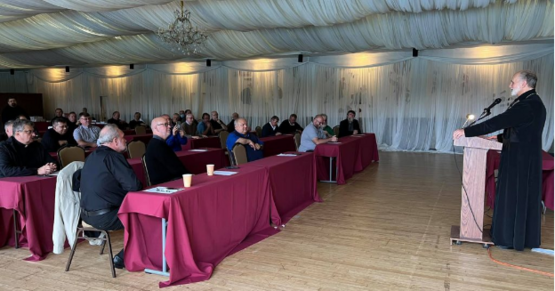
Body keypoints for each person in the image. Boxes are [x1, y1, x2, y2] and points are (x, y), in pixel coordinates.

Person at [453, 70, 546, 251]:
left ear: (524, 83)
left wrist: (466, 132)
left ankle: (509, 238)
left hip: (520, 161)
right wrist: (499, 138)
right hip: (520, 156)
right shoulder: (530, 103)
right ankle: (509, 236)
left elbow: (499, 121)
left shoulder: (529, 104)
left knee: (514, 195)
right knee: (513, 195)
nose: (510, 85)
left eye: (513, 82)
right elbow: (522, 131)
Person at [80, 124, 142, 269]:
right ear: (115, 141)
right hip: (106, 216)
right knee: (147, 217)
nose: (126, 140)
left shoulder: (92, 156)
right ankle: (124, 257)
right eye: (123, 138)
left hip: (86, 215)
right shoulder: (113, 157)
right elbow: (134, 186)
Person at [145, 117, 189, 185]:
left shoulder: (157, 143)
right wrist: (189, 175)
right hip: (166, 183)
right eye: (165, 124)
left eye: (169, 124)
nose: (169, 126)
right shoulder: (157, 145)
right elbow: (174, 167)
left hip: (168, 180)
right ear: (156, 128)